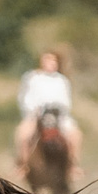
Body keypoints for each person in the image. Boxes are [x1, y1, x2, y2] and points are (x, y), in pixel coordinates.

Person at [13, 50, 81, 178]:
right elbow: (24, 98)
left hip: (58, 115)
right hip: (36, 114)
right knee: (23, 134)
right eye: (47, 60)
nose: (50, 63)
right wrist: (34, 110)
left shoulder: (62, 80)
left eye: (53, 61)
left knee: (75, 135)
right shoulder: (32, 77)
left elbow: (67, 101)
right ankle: (23, 165)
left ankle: (72, 166)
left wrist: (59, 109)